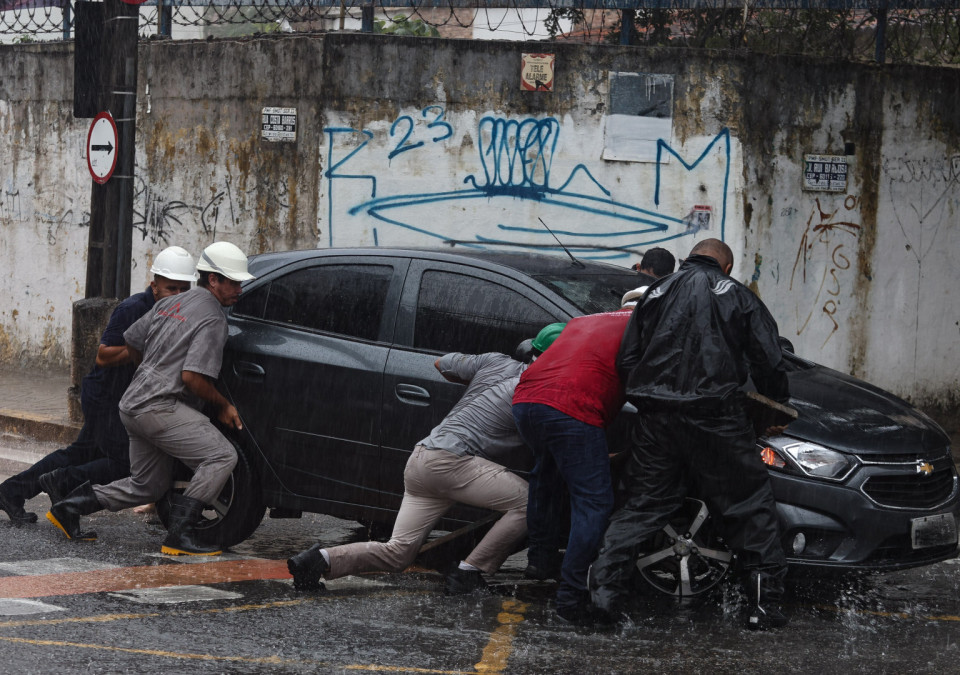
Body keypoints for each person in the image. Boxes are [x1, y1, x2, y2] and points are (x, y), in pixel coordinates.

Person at [589, 238, 792, 630]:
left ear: (690, 257)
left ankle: (603, 598)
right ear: (726, 265)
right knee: (747, 506)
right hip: (715, 417)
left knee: (643, 505)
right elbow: (769, 359)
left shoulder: (656, 292)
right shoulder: (738, 296)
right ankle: (762, 606)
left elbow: (627, 357)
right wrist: (775, 403)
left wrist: (652, 398)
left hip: (656, 421)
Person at [286, 324, 566, 595]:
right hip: (453, 462)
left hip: (422, 458)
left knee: (398, 554)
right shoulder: (541, 391)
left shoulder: (495, 361)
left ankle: (316, 561)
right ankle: (469, 572)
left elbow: (441, 363)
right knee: (529, 503)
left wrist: (478, 384)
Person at [44, 241, 253, 556]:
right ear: (213, 280)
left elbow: (132, 340)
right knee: (221, 456)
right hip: (159, 407)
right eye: (233, 282)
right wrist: (223, 405)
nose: (239, 288)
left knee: (148, 486)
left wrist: (151, 369)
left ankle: (69, 507)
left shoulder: (173, 302)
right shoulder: (213, 319)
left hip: (133, 404)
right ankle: (180, 535)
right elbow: (192, 378)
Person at [0, 246, 198, 523]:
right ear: (154, 286)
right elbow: (103, 355)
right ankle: (63, 483)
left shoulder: (178, 313)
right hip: (106, 397)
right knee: (126, 463)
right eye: (172, 288)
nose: (179, 296)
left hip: (125, 397)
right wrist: (137, 350)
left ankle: (12, 491)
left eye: (185, 289)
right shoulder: (134, 308)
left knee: (81, 453)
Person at [510, 287, 646, 624]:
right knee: (594, 503)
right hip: (571, 409)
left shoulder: (584, 320)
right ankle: (570, 598)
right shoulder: (645, 326)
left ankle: (539, 560)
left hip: (526, 401)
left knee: (546, 473)